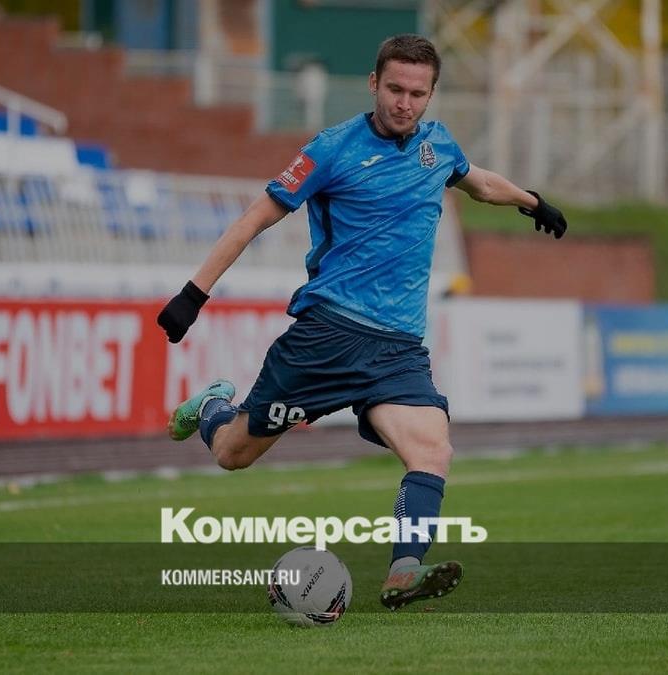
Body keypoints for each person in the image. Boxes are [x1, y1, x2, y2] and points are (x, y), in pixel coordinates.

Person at [155, 34, 567, 611]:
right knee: (232, 453)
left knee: (432, 449)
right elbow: (254, 218)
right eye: (395, 89)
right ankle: (212, 408)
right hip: (328, 336)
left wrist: (531, 201)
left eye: (417, 94)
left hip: (398, 348)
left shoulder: (437, 145)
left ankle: (403, 571)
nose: (404, 103)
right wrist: (193, 294)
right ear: (374, 84)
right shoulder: (331, 149)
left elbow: (479, 181)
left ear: (430, 95)